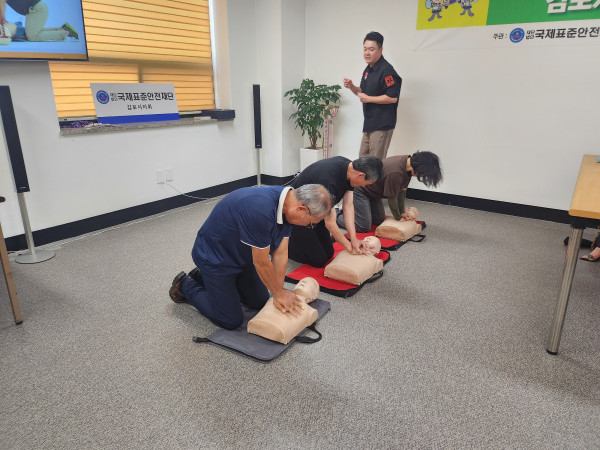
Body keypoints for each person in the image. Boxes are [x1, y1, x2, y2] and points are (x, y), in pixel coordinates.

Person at [168, 184, 332, 330]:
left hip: (243, 257)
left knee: (260, 301)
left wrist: (279, 290)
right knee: (230, 320)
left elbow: (280, 254)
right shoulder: (260, 209)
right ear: (301, 209)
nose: (308, 226)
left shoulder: (288, 207)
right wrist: (279, 293)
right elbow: (261, 262)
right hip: (215, 259)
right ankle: (186, 284)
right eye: (311, 223)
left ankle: (205, 278)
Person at [288, 156, 383, 268]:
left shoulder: (351, 169)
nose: (364, 186)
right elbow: (330, 223)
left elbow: (348, 206)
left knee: (329, 253)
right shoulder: (328, 181)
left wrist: (354, 239)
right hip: (297, 216)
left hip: (316, 214)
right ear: (360, 175)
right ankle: (282, 242)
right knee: (319, 260)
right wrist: (350, 248)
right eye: (366, 183)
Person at [336, 151, 442, 233]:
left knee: (378, 220)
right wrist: (398, 217)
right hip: (361, 191)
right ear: (419, 168)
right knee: (363, 226)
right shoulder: (396, 172)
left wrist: (402, 212)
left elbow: (401, 192)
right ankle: (336, 215)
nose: (421, 176)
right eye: (423, 174)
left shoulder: (408, 164)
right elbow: (392, 198)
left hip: (374, 193)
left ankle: (352, 211)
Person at [343, 31, 402, 160]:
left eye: (371, 49)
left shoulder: (387, 71)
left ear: (380, 50)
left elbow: (392, 97)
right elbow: (362, 92)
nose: (367, 53)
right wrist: (352, 87)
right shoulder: (368, 69)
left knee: (375, 163)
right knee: (362, 160)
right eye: (365, 49)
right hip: (369, 123)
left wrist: (368, 99)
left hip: (382, 125)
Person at [2, 0, 78, 42]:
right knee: (33, 31)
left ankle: (64, 33)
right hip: (35, 9)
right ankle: (61, 29)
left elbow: (1, 10)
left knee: (32, 37)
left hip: (37, 9)